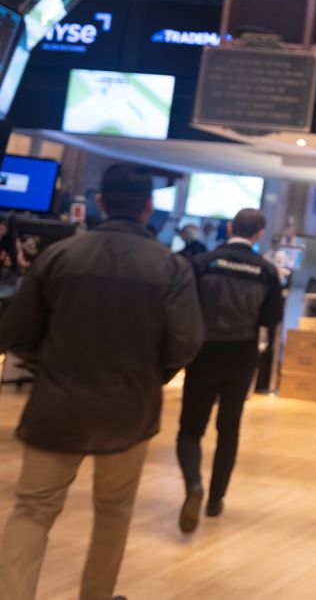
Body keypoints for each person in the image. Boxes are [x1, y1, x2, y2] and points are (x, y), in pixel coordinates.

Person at [0, 163, 204, 600]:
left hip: (56, 406)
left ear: (98, 203)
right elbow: (186, 343)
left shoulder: (59, 257)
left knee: (32, 511)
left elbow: (15, 333)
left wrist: (54, 364)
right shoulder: (170, 267)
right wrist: (152, 376)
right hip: (129, 410)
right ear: (149, 207)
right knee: (113, 511)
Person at [176, 208, 283, 533]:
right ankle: (215, 500)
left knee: (191, 430)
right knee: (229, 428)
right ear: (259, 234)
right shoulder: (265, 270)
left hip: (203, 353)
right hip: (242, 355)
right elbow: (271, 318)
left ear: (230, 227)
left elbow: (184, 307)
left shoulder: (203, 262)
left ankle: (194, 484)